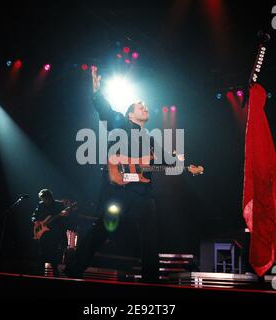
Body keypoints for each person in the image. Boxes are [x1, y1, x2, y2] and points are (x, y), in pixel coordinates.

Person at [65, 67, 202, 283]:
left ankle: (150, 282)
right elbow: (104, 109)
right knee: (101, 231)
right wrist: (96, 89)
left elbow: (167, 161)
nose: (145, 107)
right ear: (130, 114)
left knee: (150, 239)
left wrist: (186, 165)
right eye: (140, 106)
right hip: (118, 189)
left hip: (142, 194)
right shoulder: (120, 122)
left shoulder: (152, 141)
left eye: (145, 106)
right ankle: (74, 270)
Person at [31, 189, 71, 277]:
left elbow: (65, 219)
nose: (44, 201)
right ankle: (40, 275)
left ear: (49, 197)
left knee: (54, 255)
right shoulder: (41, 205)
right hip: (44, 234)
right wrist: (35, 221)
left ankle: (55, 275)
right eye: (42, 199)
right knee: (42, 254)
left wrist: (64, 215)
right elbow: (34, 215)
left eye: (45, 198)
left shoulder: (59, 204)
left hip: (55, 234)